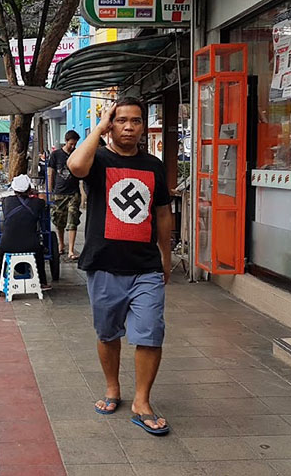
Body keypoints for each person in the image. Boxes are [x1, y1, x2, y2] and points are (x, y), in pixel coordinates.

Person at [67, 97, 172, 435]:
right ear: (111, 124)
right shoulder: (97, 160)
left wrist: (166, 257)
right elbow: (75, 167)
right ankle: (112, 387)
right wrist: (98, 126)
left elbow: (163, 214)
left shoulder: (154, 166)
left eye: (136, 121)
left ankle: (142, 400)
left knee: (151, 333)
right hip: (104, 263)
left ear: (144, 126)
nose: (129, 127)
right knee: (108, 333)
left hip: (146, 267)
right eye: (121, 120)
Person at [0, 174, 50, 293]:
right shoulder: (37, 203)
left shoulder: (6, 201)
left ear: (14, 189)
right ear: (29, 189)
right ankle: (42, 283)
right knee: (40, 253)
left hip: (7, 245)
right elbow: (44, 201)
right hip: (31, 245)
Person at [48, 130, 82, 260]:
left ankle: (71, 250)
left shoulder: (77, 154)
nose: (73, 146)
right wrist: (51, 191)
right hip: (59, 193)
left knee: (73, 220)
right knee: (59, 221)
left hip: (73, 193)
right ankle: (61, 244)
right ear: (66, 141)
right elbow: (51, 173)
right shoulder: (56, 155)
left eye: (75, 144)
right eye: (71, 144)